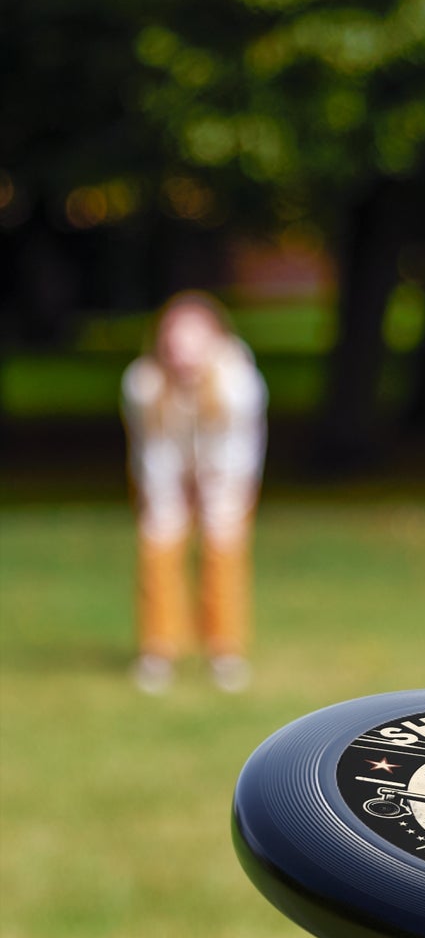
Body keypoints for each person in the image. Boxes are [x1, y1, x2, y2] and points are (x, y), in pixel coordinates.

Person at [122, 291, 268, 694]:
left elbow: (239, 450)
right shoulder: (143, 383)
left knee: (223, 551)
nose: (182, 351)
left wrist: (215, 493)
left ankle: (225, 651)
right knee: (158, 547)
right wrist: (167, 499)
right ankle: (158, 650)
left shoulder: (238, 383)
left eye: (193, 339)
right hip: (165, 474)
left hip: (226, 475)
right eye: (174, 340)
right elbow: (152, 449)